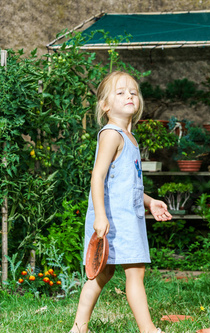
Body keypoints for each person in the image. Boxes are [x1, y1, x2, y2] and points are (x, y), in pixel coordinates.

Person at [70, 71, 172, 333]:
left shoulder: (130, 138)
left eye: (133, 92)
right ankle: (148, 330)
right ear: (105, 106)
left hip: (128, 216)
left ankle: (78, 329)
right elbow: (97, 177)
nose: (129, 95)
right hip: (113, 219)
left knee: (103, 274)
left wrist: (149, 202)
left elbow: (125, 185)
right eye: (120, 92)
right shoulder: (111, 134)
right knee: (133, 272)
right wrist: (100, 217)